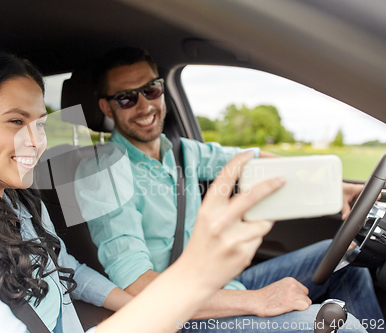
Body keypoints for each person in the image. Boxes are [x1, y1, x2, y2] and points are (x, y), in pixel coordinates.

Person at [0, 48, 294, 333]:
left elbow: (69, 271)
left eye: (41, 123)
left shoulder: (21, 203)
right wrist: (181, 290)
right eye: (15, 122)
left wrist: (139, 309)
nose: (37, 141)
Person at [75, 47, 383, 332]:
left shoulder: (184, 152)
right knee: (341, 327)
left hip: (222, 287)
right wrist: (258, 300)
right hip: (177, 313)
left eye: (150, 90)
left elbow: (254, 159)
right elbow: (137, 286)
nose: (144, 105)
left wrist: (335, 187)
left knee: (347, 258)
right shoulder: (101, 173)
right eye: (127, 98)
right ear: (107, 107)